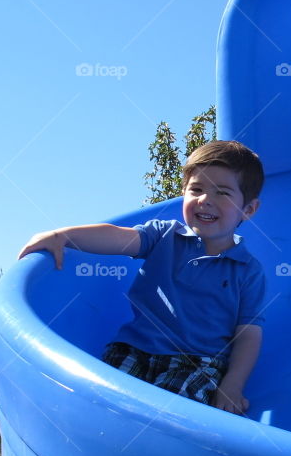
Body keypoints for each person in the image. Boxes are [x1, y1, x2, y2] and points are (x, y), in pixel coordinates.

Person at [19, 139, 265, 416]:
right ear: (183, 192)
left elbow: (248, 334)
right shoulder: (164, 236)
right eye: (196, 189)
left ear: (249, 209)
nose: (205, 200)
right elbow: (117, 237)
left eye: (222, 193)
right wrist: (64, 236)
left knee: (173, 415)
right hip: (133, 348)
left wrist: (233, 384)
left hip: (198, 362)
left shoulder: (247, 269)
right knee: (96, 406)